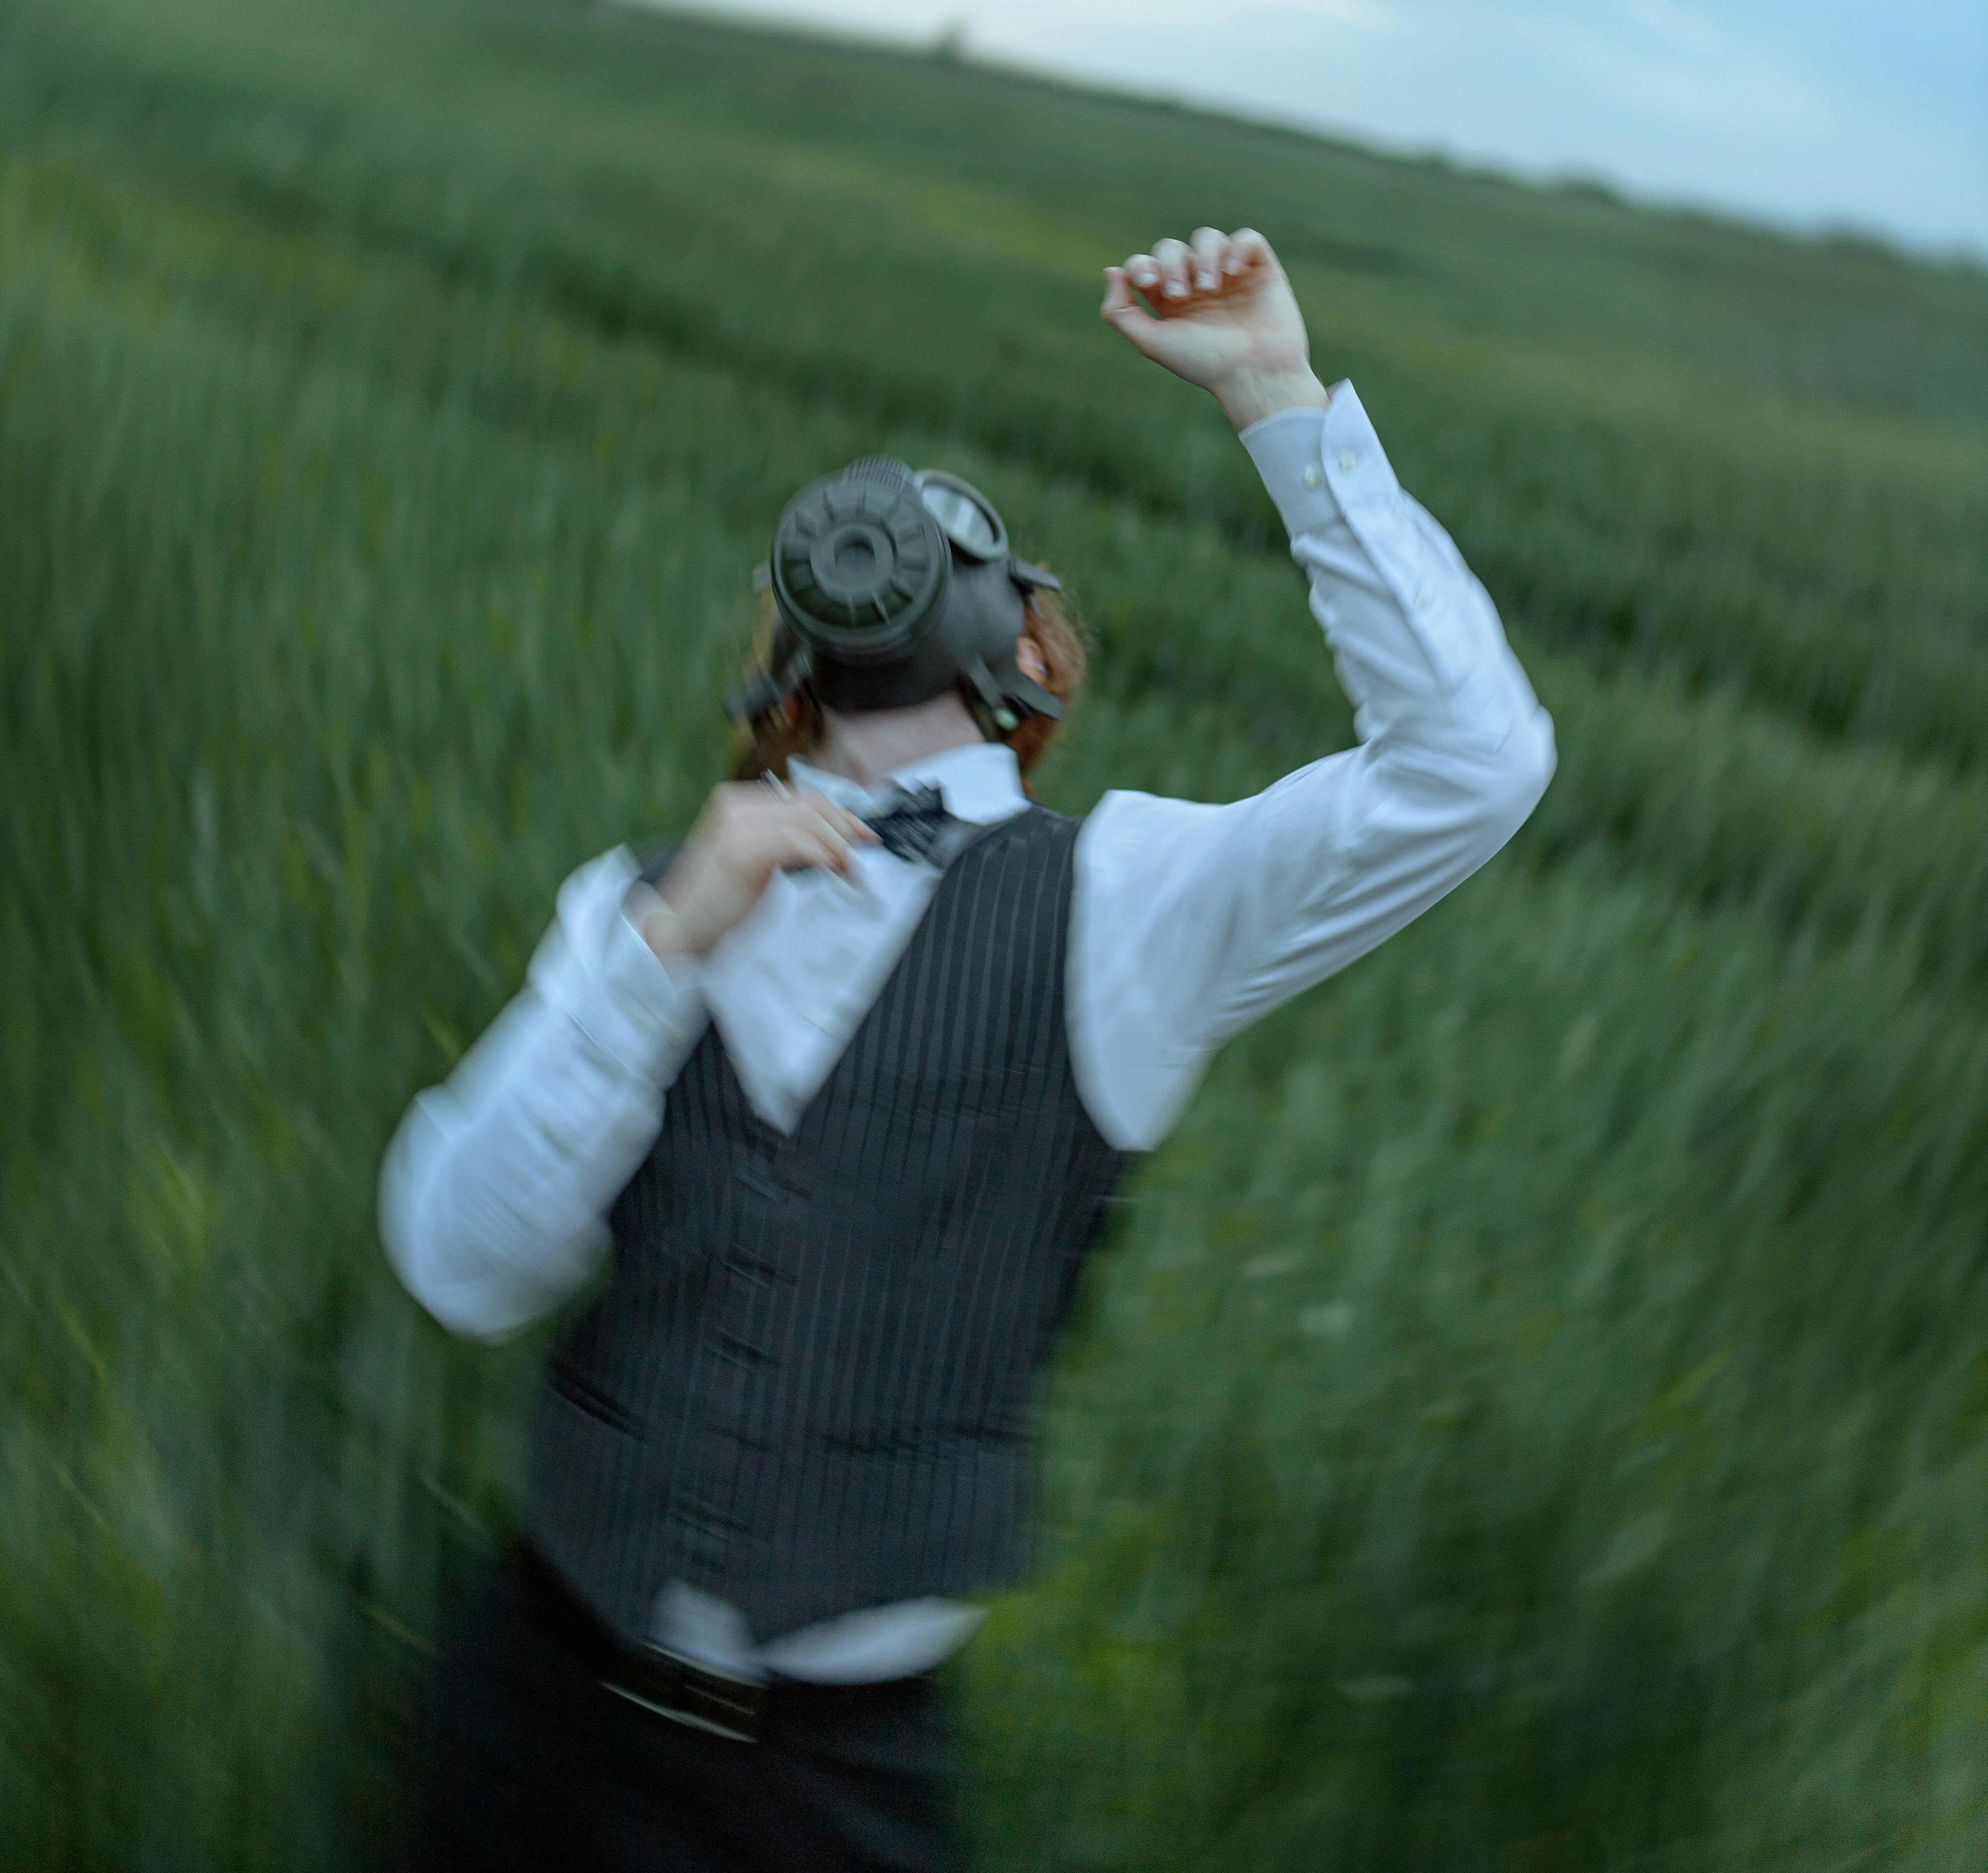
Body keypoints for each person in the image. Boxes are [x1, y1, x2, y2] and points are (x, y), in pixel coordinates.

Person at [380, 225, 1555, 1873]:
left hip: (837, 1794)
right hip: (540, 1710)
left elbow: (1473, 766)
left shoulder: (1128, 909)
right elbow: (455, 1265)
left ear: (1028, 658)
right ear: (789, 647)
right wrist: (660, 956)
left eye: (957, 560)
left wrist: (1279, 397)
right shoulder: (633, 914)